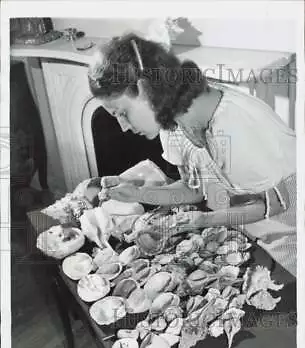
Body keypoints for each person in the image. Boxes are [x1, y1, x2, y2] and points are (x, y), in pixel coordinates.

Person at [86, 33, 296, 277]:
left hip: (289, 236)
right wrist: (138, 193)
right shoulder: (171, 122)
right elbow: (193, 189)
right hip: (250, 231)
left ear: (143, 90)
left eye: (121, 112)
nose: (123, 126)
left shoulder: (233, 125)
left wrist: (203, 220)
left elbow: (276, 205)